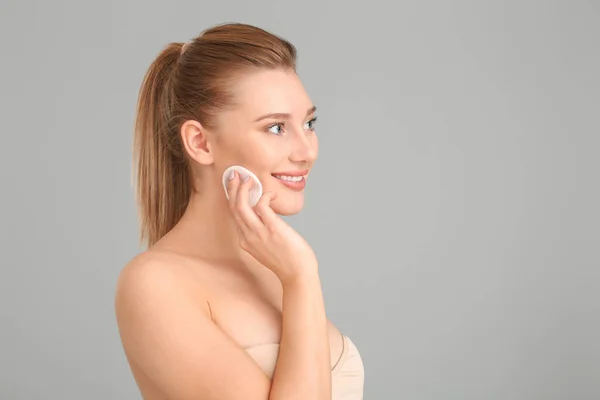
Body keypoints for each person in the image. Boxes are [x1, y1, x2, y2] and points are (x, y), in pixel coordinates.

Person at [114, 22, 364, 400]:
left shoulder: (273, 262)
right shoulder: (153, 285)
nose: (307, 151)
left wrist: (296, 276)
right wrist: (302, 279)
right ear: (200, 143)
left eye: (309, 123)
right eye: (276, 128)